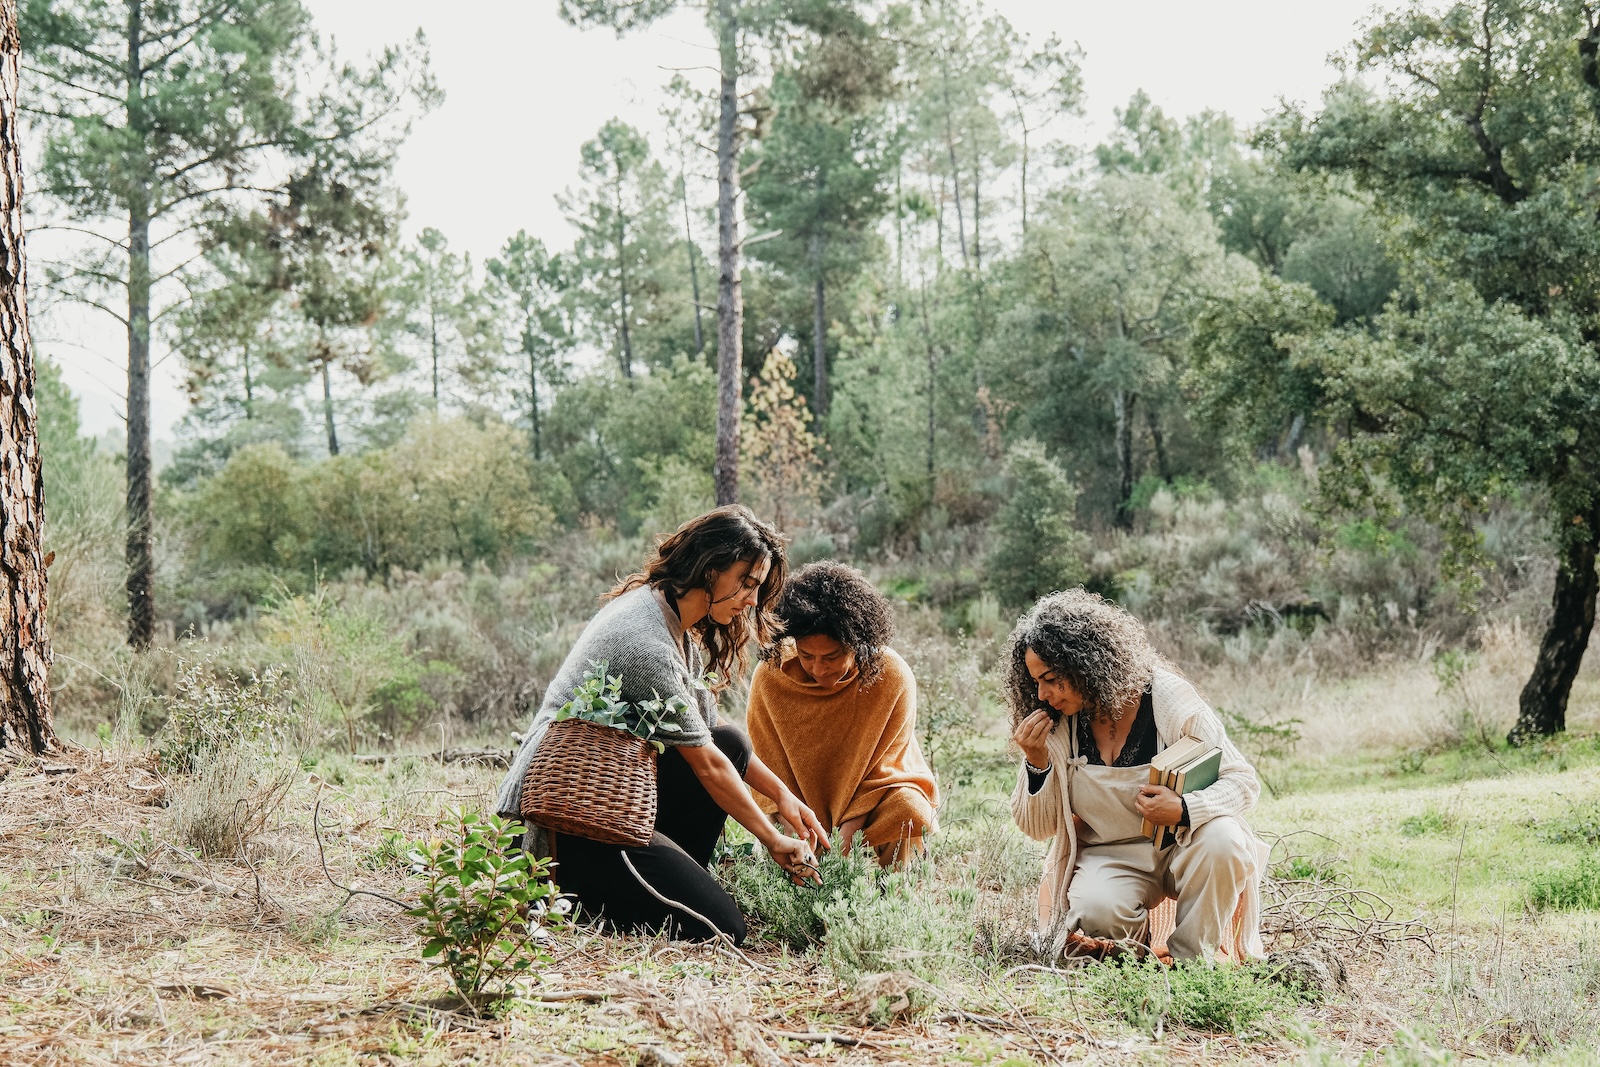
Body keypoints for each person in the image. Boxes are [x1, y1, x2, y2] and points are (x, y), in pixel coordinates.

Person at [495, 506, 828, 945]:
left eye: (757, 587)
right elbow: (706, 765)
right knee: (721, 927)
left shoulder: (669, 619)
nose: (752, 598)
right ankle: (572, 899)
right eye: (746, 583)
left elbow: (713, 735)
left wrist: (783, 795)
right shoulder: (645, 643)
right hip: (563, 821)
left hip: (608, 797)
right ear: (710, 570)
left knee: (728, 740)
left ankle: (655, 880)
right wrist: (771, 838)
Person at [1006, 589, 1268, 962]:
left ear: (1086, 663)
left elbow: (1243, 780)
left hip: (1186, 841)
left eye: (1050, 678)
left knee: (1224, 841)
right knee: (1097, 907)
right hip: (1111, 855)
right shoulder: (1058, 725)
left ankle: (1195, 965)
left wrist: (1185, 809)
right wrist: (1037, 762)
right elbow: (1036, 828)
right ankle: (1137, 956)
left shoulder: (1167, 698)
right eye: (1035, 682)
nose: (1043, 694)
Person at [746, 561, 938, 866]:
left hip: (872, 806)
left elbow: (882, 772)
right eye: (807, 656)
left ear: (857, 643)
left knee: (908, 806)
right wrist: (800, 833)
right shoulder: (771, 678)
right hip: (796, 812)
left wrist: (841, 847)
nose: (819, 669)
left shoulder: (891, 676)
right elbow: (769, 771)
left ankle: (891, 902)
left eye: (832, 656)